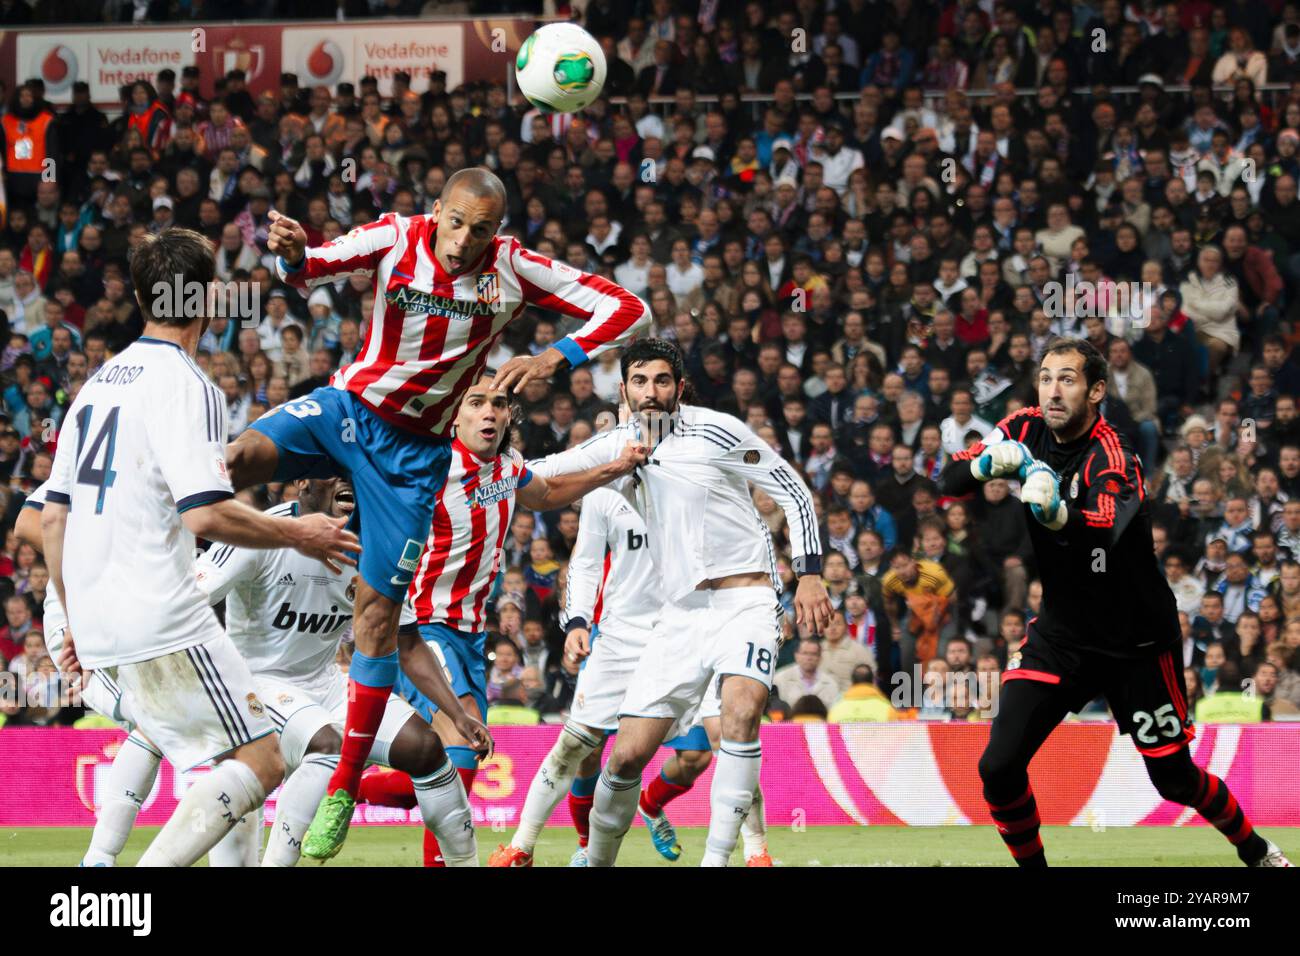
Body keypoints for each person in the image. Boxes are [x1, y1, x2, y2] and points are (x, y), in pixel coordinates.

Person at [225, 167, 651, 861]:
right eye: (455, 222)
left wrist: (555, 354)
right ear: (436, 211)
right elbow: (313, 267)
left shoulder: (511, 267)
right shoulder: (397, 237)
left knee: (376, 622)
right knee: (237, 458)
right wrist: (295, 250)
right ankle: (159, 549)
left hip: (414, 460)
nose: (464, 240)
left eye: (481, 229)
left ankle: (341, 787)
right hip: (349, 413)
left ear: (497, 230)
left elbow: (626, 308)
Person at [41, 228, 358, 868]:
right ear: (210, 299)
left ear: (138, 295)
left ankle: (103, 865)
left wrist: (74, 616)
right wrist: (299, 529)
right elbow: (206, 514)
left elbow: (53, 517)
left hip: (97, 615)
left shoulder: (95, 387)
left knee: (230, 751)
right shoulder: (190, 385)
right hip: (161, 611)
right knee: (263, 759)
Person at [940, 336, 1290, 867]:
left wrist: (1059, 514)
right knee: (999, 765)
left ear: (1097, 389)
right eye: (1047, 377)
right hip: (1061, 635)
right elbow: (948, 478)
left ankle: (1257, 852)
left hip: (1138, 642)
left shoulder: (1115, 455)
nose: (1053, 391)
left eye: (1069, 379)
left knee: (1174, 779)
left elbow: (1105, 531)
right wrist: (985, 468)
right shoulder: (1022, 427)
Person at [526, 339, 830, 867]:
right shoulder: (618, 446)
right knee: (624, 757)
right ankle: (596, 861)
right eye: (639, 382)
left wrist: (809, 574)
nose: (650, 392)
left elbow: (794, 492)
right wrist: (483, 458)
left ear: (679, 387)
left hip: (748, 598)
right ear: (622, 389)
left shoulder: (718, 430)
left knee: (739, 716)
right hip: (681, 615)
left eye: (661, 381)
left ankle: (721, 860)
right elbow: (545, 473)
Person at [359, 374, 644, 865]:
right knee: (461, 748)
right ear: (456, 416)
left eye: (498, 403)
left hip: (471, 637)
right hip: (425, 628)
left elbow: (549, 491)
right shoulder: (433, 466)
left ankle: (341, 778)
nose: (490, 412)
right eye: (477, 403)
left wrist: (612, 469)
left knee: (429, 780)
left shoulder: (509, 467)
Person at [190, 478, 487, 867]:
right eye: (333, 466)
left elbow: (409, 643)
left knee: (426, 748)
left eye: (351, 468)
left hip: (325, 685)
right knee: (329, 745)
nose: (347, 477)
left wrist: (456, 714)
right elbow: (189, 599)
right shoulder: (258, 532)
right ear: (303, 482)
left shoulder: (374, 546)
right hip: (256, 685)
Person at [491, 482, 770, 868]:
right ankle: (523, 846)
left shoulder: (696, 478)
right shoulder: (606, 493)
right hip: (621, 639)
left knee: (726, 740)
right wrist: (577, 622)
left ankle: (757, 851)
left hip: (692, 632)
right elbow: (585, 562)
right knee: (579, 747)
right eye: (638, 417)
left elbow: (742, 547)